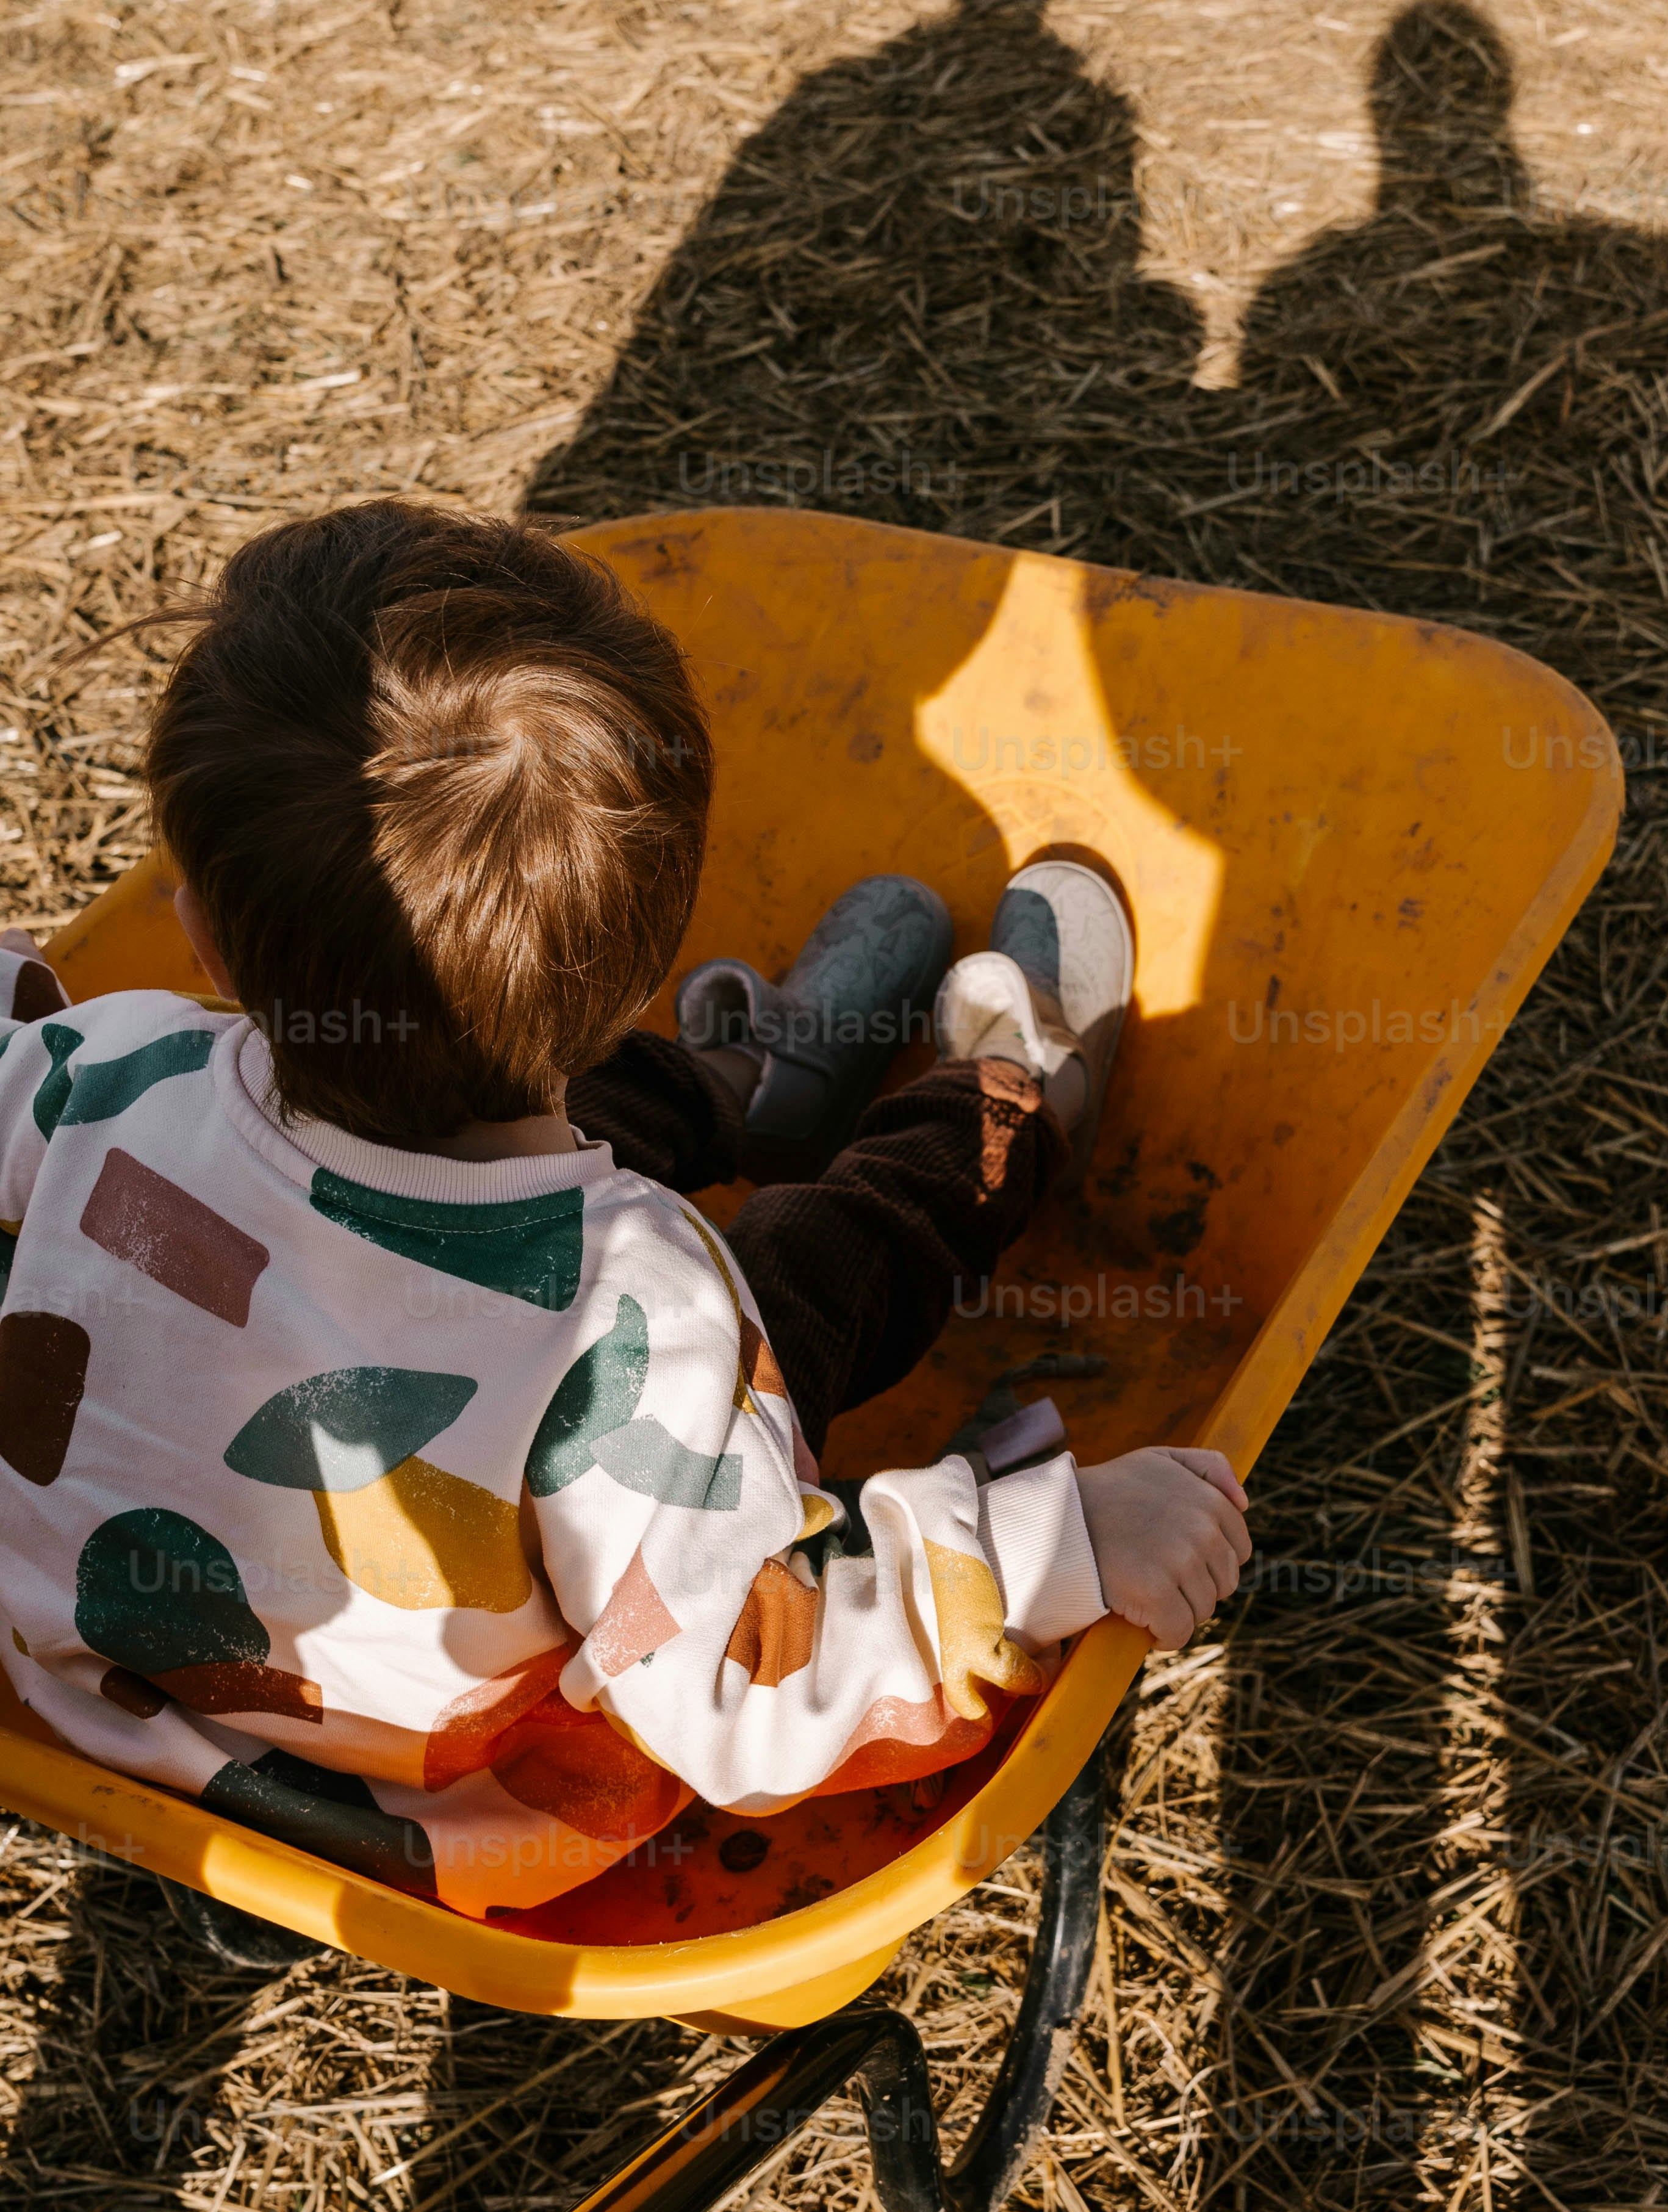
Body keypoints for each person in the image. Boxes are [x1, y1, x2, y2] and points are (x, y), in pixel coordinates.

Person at [0, 503, 1246, 1920]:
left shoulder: (107, 1072)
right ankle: (998, 1104)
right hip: (450, 1799)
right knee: (802, 1267)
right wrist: (1053, 1547)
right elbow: (745, 1677)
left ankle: (746, 1085)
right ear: (644, 955)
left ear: (211, 941)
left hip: (107, 1710)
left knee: (473, 1121)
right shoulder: (632, 1322)